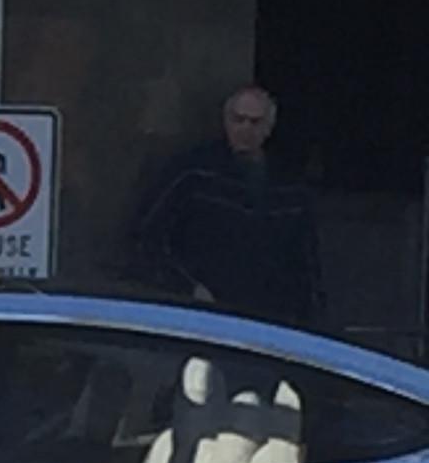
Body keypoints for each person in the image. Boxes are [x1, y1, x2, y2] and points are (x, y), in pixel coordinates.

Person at [126, 84, 328, 331]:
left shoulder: (289, 189)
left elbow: (306, 264)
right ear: (225, 121)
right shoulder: (193, 173)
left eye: (255, 122)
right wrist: (187, 288)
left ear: (268, 128)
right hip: (200, 314)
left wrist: (311, 324)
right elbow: (147, 237)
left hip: (268, 320)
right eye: (238, 120)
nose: (245, 129)